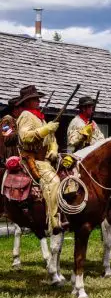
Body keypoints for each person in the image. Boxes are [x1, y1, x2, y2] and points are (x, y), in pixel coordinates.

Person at [16, 85, 62, 234]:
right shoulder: (25, 116)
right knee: (54, 182)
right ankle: (54, 221)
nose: (38, 101)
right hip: (33, 160)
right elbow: (25, 136)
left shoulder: (39, 117)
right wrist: (46, 129)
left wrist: (54, 149)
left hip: (47, 159)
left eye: (37, 98)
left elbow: (51, 139)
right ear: (27, 102)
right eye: (34, 99)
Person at [0, 96, 23, 164]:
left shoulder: (16, 120)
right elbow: (6, 137)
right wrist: (21, 132)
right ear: (15, 109)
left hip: (14, 156)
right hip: (7, 156)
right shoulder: (7, 119)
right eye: (21, 108)